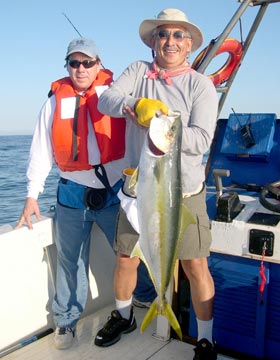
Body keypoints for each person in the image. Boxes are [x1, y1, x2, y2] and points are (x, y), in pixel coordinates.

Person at [94, 8, 218, 360]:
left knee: (195, 266)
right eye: (163, 34)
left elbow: (202, 139)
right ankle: (123, 316)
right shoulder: (137, 72)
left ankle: (206, 340)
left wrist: (164, 126)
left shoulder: (200, 85)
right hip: (138, 191)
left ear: (190, 45)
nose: (171, 41)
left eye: (179, 35)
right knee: (125, 259)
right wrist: (136, 103)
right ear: (153, 42)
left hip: (185, 191)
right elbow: (106, 100)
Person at [16, 37, 155, 350]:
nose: (80, 69)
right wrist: (31, 195)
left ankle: (147, 296)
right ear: (66, 66)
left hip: (116, 191)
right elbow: (41, 151)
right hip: (72, 193)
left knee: (134, 252)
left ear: (99, 65)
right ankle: (66, 321)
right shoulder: (53, 101)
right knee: (70, 262)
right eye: (74, 63)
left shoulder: (118, 95)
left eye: (87, 62)